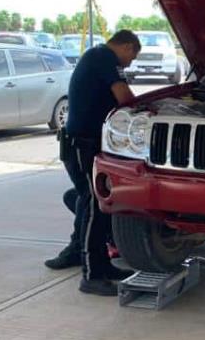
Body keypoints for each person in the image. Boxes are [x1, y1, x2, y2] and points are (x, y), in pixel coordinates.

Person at [51, 30, 141, 296]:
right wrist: (147, 109)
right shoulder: (103, 57)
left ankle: (89, 258)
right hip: (82, 143)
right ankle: (92, 274)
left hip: (82, 142)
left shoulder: (97, 57)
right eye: (132, 56)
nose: (130, 62)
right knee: (94, 203)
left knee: (86, 200)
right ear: (126, 46)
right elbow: (124, 97)